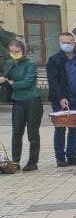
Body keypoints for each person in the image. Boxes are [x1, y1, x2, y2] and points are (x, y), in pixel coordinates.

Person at [46, 32, 76, 168]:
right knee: (60, 128)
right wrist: (60, 98)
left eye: (68, 42)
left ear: (74, 44)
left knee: (75, 128)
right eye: (63, 42)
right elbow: (53, 82)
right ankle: (60, 158)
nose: (65, 44)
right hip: (60, 99)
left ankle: (72, 156)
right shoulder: (54, 60)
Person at [2, 40, 40, 171]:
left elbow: (27, 82)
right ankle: (15, 161)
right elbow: (6, 78)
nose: (14, 54)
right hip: (17, 100)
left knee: (32, 132)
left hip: (32, 100)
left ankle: (33, 162)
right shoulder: (11, 64)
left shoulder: (31, 64)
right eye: (11, 51)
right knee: (16, 131)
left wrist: (11, 83)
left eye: (16, 51)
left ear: (23, 51)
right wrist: (4, 80)